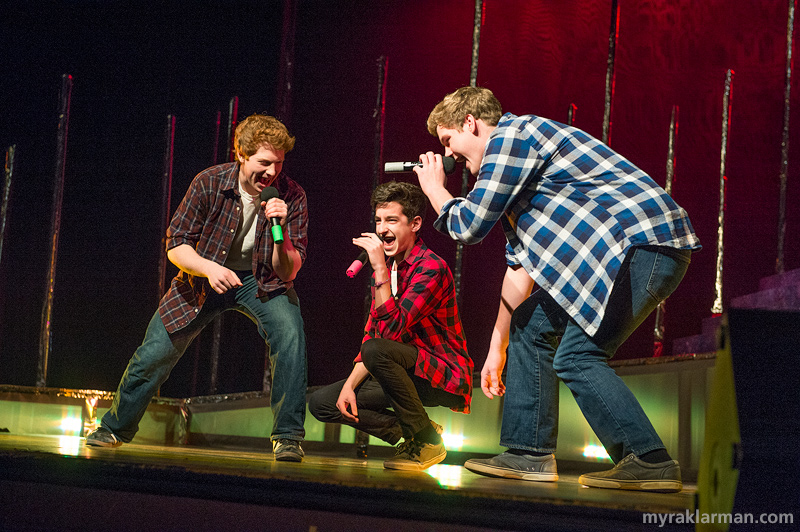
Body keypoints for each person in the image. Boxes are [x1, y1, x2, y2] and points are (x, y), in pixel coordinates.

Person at [414, 86, 701, 492]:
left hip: (642, 246)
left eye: (448, 141)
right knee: (531, 323)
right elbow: (519, 270)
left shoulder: (511, 138)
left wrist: (434, 189)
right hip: (628, 255)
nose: (450, 156)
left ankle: (649, 460)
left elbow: (470, 225)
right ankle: (529, 454)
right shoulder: (515, 184)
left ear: (469, 122)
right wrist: (497, 347)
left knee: (579, 356)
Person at [85, 114, 309, 462]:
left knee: (291, 336)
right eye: (264, 163)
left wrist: (278, 230)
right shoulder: (209, 182)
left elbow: (289, 269)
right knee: (156, 350)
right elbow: (176, 245)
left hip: (261, 280)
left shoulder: (291, 196)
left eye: (278, 163)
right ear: (241, 154)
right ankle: (114, 428)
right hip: (204, 277)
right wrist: (209, 269)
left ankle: (288, 437)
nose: (272, 172)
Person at [308, 181, 473, 471]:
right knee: (324, 402)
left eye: (392, 220)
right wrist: (349, 386)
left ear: (415, 224)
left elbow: (391, 331)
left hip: (440, 373)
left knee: (377, 349)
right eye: (379, 220)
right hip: (398, 368)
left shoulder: (431, 267)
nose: (382, 229)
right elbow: (374, 336)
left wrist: (380, 269)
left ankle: (424, 439)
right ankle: (420, 433)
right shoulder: (386, 272)